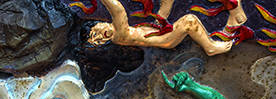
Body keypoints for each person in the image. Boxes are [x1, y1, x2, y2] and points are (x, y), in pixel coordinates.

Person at [86, 0, 242, 54]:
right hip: (165, 39)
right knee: (189, 21)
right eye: (97, 30)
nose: (101, 25)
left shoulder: (116, 34)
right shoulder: (119, 36)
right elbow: (118, 11)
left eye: (97, 26)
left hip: (156, 29)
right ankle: (210, 47)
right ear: (100, 38)